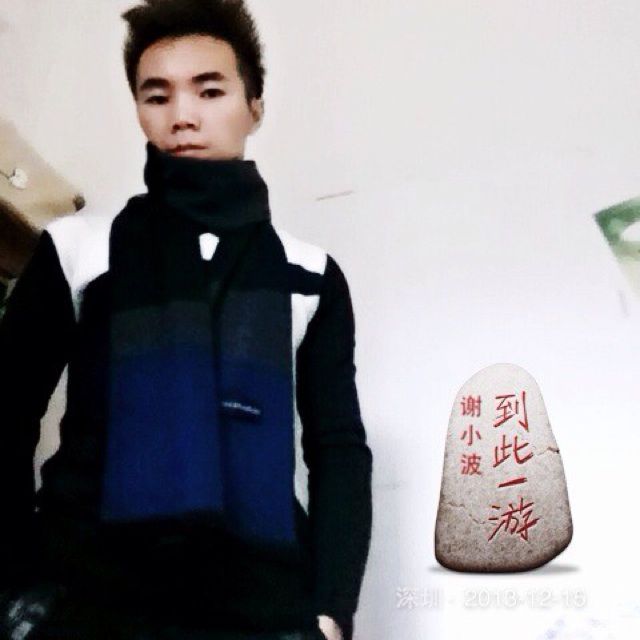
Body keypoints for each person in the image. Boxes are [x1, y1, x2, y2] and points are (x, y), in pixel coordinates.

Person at [0, 1, 373, 639]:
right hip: (88, 597)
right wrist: (15, 581)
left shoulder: (310, 274)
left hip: (263, 601)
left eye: (210, 90)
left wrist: (332, 608)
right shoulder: (79, 249)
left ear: (255, 105)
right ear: (139, 110)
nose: (183, 116)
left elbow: (338, 450)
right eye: (157, 95)